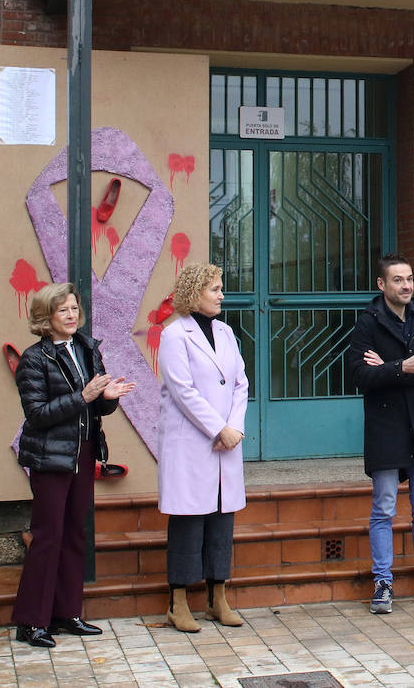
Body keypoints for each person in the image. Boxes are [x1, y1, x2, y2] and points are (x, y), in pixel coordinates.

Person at [12, 283, 134, 647]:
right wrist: (83, 396)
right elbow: (36, 415)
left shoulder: (87, 348)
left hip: (83, 451)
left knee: (76, 533)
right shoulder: (35, 358)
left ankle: (67, 612)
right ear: (45, 317)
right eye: (62, 310)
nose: (71, 316)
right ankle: (31, 621)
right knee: (48, 536)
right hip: (50, 455)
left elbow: (95, 406)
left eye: (74, 309)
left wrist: (106, 400)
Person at [345, 253, 414, 615]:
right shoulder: (367, 323)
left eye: (409, 279)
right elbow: (360, 375)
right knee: (384, 509)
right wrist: (403, 367)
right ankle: (383, 582)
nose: (406, 286)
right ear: (382, 285)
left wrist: (390, 369)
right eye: (398, 280)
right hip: (386, 427)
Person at [157, 263, 249, 632]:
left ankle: (217, 598)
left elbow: (240, 383)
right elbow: (182, 391)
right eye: (214, 288)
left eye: (220, 288)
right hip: (192, 443)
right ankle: (177, 602)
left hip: (227, 442)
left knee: (221, 522)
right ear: (194, 294)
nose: (221, 294)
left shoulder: (226, 332)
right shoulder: (174, 335)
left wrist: (235, 429)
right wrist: (218, 429)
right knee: (188, 522)